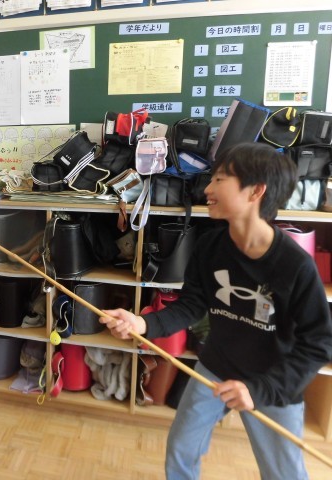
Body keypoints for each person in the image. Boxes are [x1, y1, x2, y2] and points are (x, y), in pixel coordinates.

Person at [101, 142, 332, 479]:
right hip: (216, 367)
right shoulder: (210, 247)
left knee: (283, 473)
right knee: (181, 450)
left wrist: (260, 390)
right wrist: (142, 323)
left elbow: (319, 344)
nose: (207, 189)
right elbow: (191, 306)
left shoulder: (295, 266)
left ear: (255, 191)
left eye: (220, 179)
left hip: (272, 381)